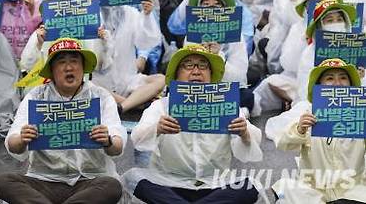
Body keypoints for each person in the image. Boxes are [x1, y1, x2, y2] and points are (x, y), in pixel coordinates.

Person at [0, 37, 126, 204]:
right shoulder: (36, 96)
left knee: (111, 186)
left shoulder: (101, 96)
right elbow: (13, 144)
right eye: (62, 62)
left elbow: (117, 145)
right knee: (5, 182)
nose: (69, 67)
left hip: (89, 181)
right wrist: (22, 138)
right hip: (44, 181)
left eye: (74, 61)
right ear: (52, 70)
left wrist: (107, 141)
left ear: (83, 67)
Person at [130, 44, 262, 203]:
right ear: (176, 75)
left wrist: (244, 133)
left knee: (250, 186)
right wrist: (157, 129)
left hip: (215, 184)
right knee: (134, 181)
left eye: (203, 66)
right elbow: (137, 139)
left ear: (211, 75)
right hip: (169, 183)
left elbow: (251, 146)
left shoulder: (227, 106)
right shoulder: (161, 106)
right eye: (188, 65)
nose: (196, 71)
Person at [272, 58, 366, 203]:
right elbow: (283, 144)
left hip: (352, 191)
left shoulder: (361, 115)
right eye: (330, 78)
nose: (337, 83)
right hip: (314, 192)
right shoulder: (305, 112)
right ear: (319, 85)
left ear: (351, 85)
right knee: (286, 188)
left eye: (343, 78)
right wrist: (300, 129)